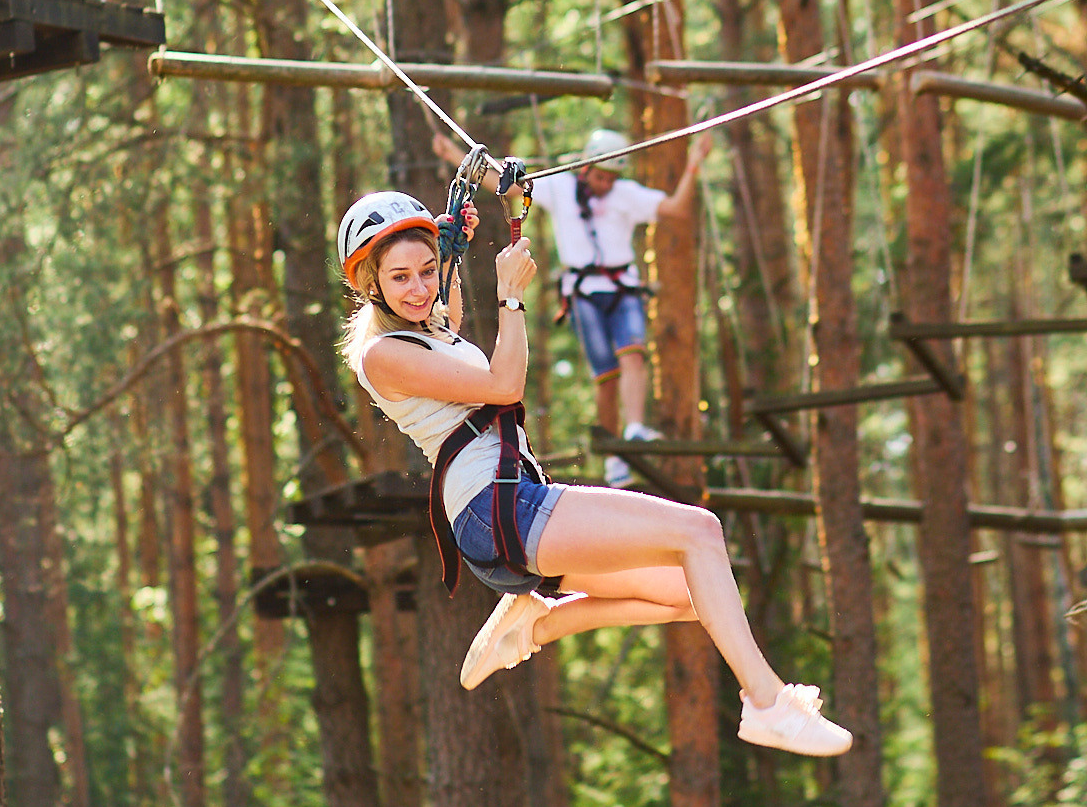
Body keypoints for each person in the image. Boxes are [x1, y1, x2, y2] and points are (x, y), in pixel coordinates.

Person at [336, 189, 851, 756]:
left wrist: (459, 234)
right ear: (370, 284)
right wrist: (510, 297)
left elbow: (448, 312)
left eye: (427, 272)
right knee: (700, 531)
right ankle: (767, 703)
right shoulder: (381, 355)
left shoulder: (427, 327)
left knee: (688, 595)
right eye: (401, 277)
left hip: (511, 505)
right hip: (496, 510)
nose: (419, 288)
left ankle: (537, 623)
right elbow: (504, 386)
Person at [439, 126, 712, 486]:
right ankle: (617, 459)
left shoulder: (625, 194)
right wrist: (453, 155)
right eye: (600, 175)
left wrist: (694, 163)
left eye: (611, 178)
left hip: (623, 286)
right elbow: (507, 186)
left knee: (634, 354)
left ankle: (633, 429)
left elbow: (675, 208)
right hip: (584, 292)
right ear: (586, 169)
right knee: (606, 376)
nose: (605, 183)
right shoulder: (562, 189)